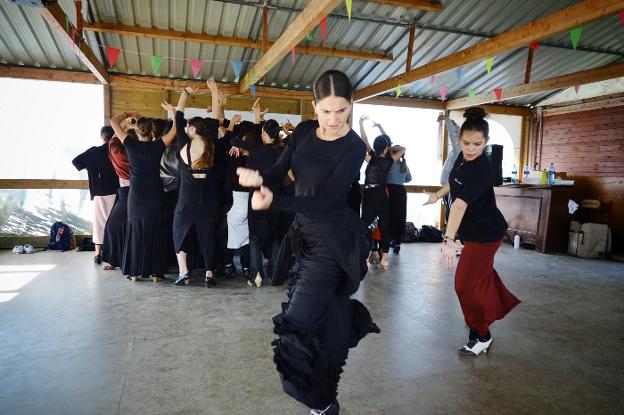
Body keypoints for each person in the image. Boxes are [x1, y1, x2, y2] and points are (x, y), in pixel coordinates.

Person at [238, 70, 379, 415]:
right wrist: (261, 179)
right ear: (313, 105)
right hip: (304, 237)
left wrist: (275, 202)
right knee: (325, 321)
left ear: (350, 106)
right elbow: (282, 170)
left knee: (298, 323)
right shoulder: (302, 132)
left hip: (332, 244)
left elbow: (328, 199)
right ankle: (325, 399)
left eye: (342, 110)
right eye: (326, 110)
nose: (334, 119)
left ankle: (319, 399)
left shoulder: (354, 147)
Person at [424, 106, 520, 356]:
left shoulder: (482, 169)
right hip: (475, 231)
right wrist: (437, 195)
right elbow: (452, 183)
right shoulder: (462, 158)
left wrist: (448, 239)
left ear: (486, 142)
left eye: (477, 144)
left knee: (464, 285)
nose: (470, 149)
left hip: (485, 235)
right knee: (480, 280)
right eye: (466, 143)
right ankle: (482, 323)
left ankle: (482, 335)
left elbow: (459, 205)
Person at [162, 86, 219, 287]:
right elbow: (217, 116)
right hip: (208, 197)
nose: (185, 128)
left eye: (188, 127)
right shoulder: (211, 143)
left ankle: (184, 272)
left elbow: (178, 115)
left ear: (193, 129)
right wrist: (214, 92)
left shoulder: (183, 144)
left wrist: (185, 93)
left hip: (187, 198)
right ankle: (209, 274)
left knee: (178, 231)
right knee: (207, 235)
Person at [110, 112, 175, 282]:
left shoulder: (130, 144)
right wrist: (175, 113)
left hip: (136, 195)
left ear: (137, 131)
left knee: (135, 231)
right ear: (152, 131)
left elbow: (113, 121)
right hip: (155, 193)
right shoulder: (158, 145)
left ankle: (134, 272)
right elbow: (176, 128)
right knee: (155, 230)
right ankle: (155, 273)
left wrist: (128, 114)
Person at [359, 116, 405, 270]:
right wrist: (390, 149)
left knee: (365, 225)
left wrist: (360, 123)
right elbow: (403, 149)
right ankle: (384, 259)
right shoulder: (389, 160)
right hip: (382, 195)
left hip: (370, 194)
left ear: (374, 146)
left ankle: (366, 257)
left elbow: (364, 139)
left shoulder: (371, 158)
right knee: (384, 225)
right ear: (385, 148)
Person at [72, 126, 120, 265]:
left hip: (99, 192)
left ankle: (98, 254)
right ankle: (114, 254)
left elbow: (76, 162)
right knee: (114, 223)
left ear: (101, 137)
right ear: (113, 136)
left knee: (100, 224)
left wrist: (90, 167)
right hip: (116, 191)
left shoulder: (93, 151)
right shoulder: (116, 150)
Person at [102, 119, 133, 271]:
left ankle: (115, 260)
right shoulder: (137, 152)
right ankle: (122, 258)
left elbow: (113, 138)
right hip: (140, 192)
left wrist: (126, 120)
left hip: (127, 194)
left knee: (112, 226)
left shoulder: (117, 152)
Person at [438, 113, 461, 224]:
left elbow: (453, 136)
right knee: (448, 209)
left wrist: (447, 120)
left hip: (452, 187)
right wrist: (453, 122)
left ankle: (450, 234)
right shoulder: (457, 151)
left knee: (451, 210)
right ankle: (449, 233)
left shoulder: (459, 150)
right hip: (447, 187)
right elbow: (458, 133)